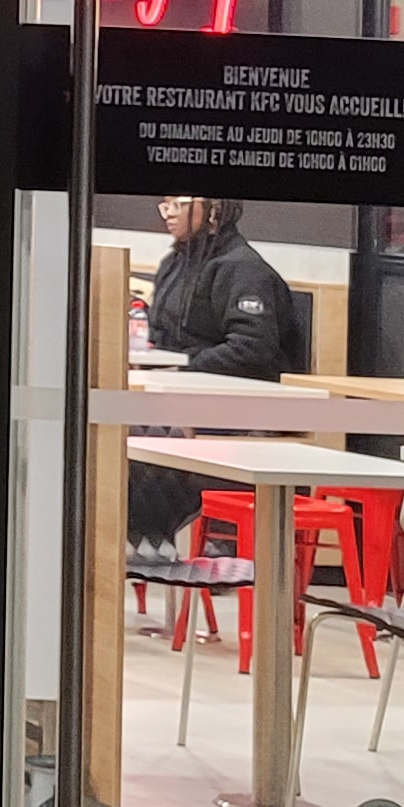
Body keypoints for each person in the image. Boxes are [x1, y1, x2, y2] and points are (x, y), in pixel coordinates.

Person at [126, 192, 297, 557]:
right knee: (117, 427)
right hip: (177, 395)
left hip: (236, 407)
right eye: (164, 204)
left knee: (143, 438)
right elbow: (160, 336)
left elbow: (252, 348)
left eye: (177, 203)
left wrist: (183, 367)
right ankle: (139, 540)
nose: (167, 212)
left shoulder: (243, 269)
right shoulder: (174, 264)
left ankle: (146, 541)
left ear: (212, 209)